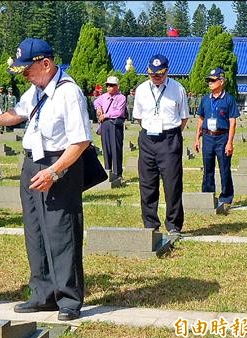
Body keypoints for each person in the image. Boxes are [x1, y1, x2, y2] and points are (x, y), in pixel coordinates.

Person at [0, 38, 92, 321]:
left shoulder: (69, 93)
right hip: (32, 163)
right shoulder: (36, 89)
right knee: (36, 232)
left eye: (27, 69)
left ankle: (68, 299)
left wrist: (55, 171)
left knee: (61, 232)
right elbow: (18, 113)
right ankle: (42, 294)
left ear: (46, 63)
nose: (25, 75)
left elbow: (80, 142)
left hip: (58, 164)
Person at [132, 54, 188, 237]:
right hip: (148, 138)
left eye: (159, 74)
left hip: (169, 139)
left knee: (172, 183)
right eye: (152, 74)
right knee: (147, 182)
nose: (156, 78)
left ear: (167, 71)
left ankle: (173, 224)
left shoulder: (177, 89)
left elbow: (183, 118)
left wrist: (168, 132)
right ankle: (150, 223)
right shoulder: (141, 89)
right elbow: (138, 117)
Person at [194, 68, 239, 214]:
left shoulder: (229, 99)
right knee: (208, 168)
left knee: (224, 168)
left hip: (222, 136)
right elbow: (201, 118)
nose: (210, 83)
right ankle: (207, 194)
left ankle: (226, 197)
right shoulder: (205, 99)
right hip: (207, 136)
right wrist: (197, 138)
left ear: (221, 81)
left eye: (213, 80)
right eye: (209, 80)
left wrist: (229, 142)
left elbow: (232, 122)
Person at [94, 76, 126, 181]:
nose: (109, 87)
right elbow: (96, 102)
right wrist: (99, 109)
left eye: (112, 85)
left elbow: (119, 112)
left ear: (117, 86)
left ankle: (117, 173)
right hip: (105, 124)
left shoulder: (121, 98)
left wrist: (106, 115)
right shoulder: (103, 96)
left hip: (115, 124)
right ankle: (108, 170)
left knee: (116, 148)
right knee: (106, 147)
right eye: (107, 85)